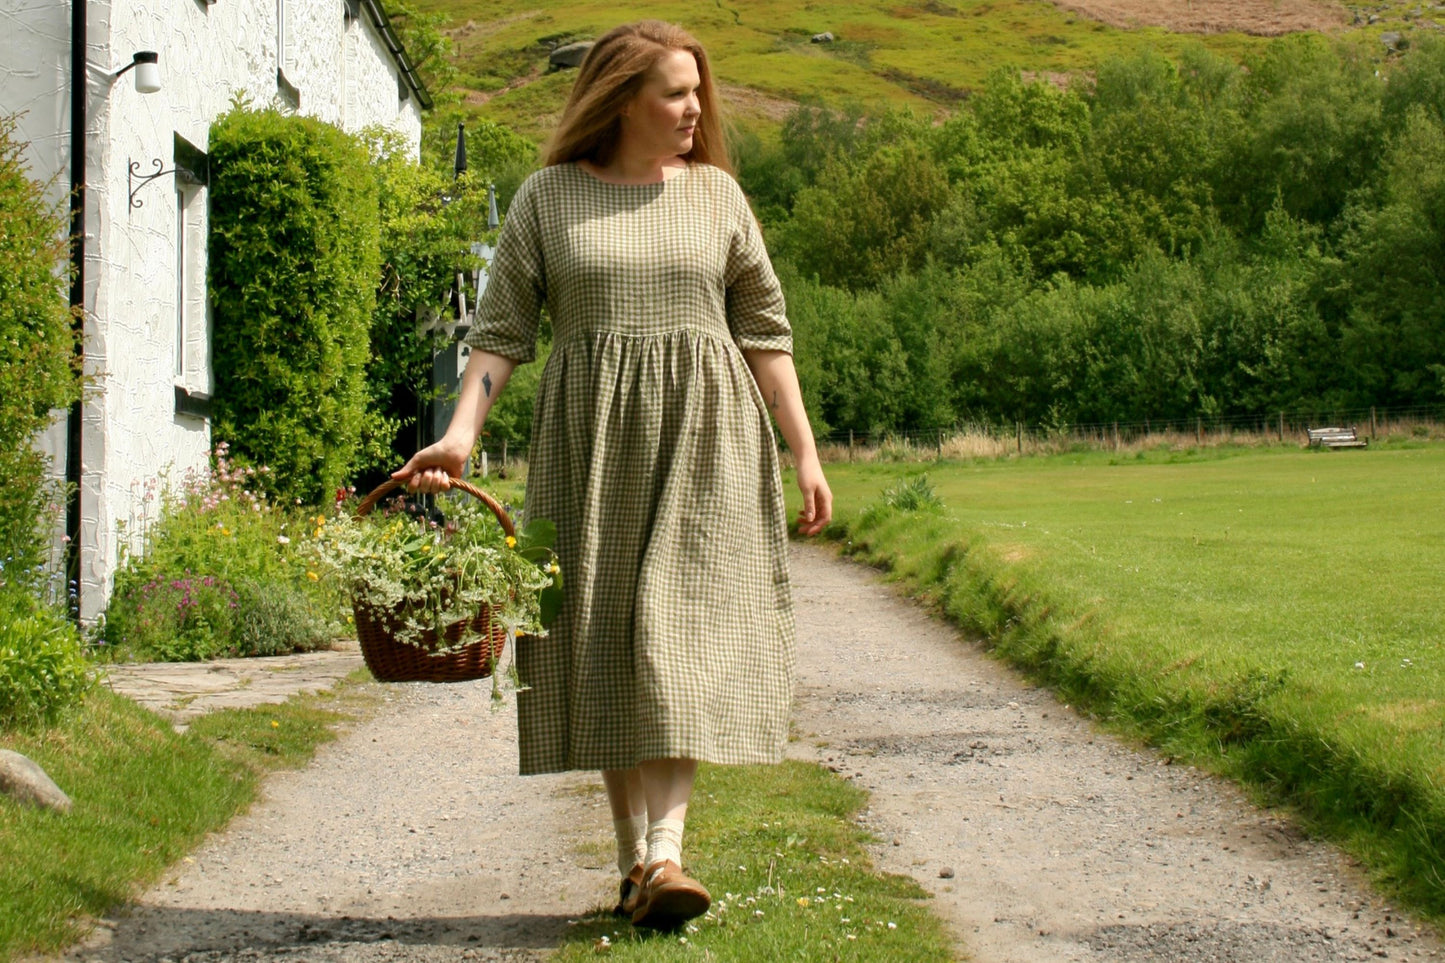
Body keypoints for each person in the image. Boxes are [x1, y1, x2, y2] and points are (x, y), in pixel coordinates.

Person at [393, 19, 832, 931]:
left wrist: (804, 451)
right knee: (601, 635)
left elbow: (765, 332)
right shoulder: (548, 200)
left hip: (705, 439)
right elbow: (499, 332)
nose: (694, 107)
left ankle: (667, 850)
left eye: (696, 91)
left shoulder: (717, 197)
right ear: (621, 96)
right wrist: (460, 434)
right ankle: (635, 862)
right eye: (675, 91)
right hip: (588, 438)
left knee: (677, 632)